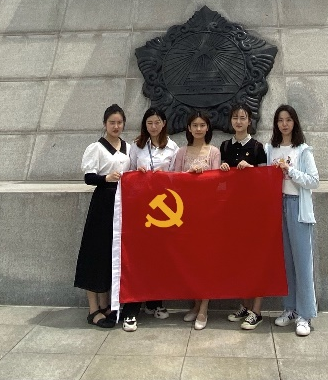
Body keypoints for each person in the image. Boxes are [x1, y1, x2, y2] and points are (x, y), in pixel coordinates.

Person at [119, 107, 178, 332]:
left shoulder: (173, 147)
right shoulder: (137, 146)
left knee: (159, 257)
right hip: (140, 208)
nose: (153, 126)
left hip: (164, 210)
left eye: (157, 122)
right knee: (138, 256)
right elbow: (127, 173)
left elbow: (177, 178)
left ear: (164, 123)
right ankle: (131, 308)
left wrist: (165, 178)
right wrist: (139, 174)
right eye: (149, 123)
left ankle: (155, 301)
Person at [75, 105, 131, 328]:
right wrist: (106, 178)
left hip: (122, 203)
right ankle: (93, 310)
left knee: (112, 253)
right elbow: (89, 178)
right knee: (95, 253)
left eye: (119, 122)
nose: (116, 126)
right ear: (105, 124)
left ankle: (107, 305)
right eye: (112, 122)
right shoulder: (96, 148)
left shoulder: (128, 147)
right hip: (103, 203)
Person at [266, 104, 319, 337]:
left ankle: (305, 314)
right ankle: (290, 308)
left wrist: (290, 170)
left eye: (288, 120)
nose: (284, 124)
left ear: (294, 122)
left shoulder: (303, 150)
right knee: (286, 262)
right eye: (280, 120)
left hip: (298, 206)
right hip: (278, 206)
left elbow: (314, 180)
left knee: (302, 262)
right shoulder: (270, 148)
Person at [219, 104, 268, 330]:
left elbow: (266, 180)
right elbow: (220, 184)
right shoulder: (225, 146)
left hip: (253, 212)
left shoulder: (257, 147)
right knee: (239, 260)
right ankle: (245, 305)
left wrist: (252, 170)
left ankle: (256, 310)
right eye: (235, 118)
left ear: (249, 121)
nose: (239, 122)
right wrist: (222, 170)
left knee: (255, 260)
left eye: (243, 118)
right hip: (232, 212)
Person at [171, 109, 221, 330]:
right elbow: (173, 180)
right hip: (185, 214)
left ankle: (204, 308)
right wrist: (188, 175)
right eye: (195, 125)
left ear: (207, 128)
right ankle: (195, 303)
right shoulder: (181, 152)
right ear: (189, 128)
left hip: (207, 214)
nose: (198, 129)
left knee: (206, 261)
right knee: (190, 260)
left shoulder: (214, 152)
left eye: (202, 125)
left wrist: (204, 176)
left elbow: (218, 182)